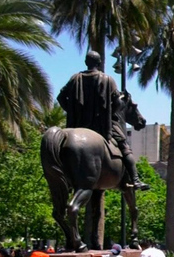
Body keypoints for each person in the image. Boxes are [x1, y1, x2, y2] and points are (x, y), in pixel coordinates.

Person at [57, 50, 148, 190]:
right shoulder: (107, 79)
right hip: (101, 126)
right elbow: (117, 102)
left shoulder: (75, 78)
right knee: (124, 147)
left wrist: (73, 112)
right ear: (99, 63)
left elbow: (60, 98)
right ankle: (135, 180)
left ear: (86, 63)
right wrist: (109, 113)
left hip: (77, 125)